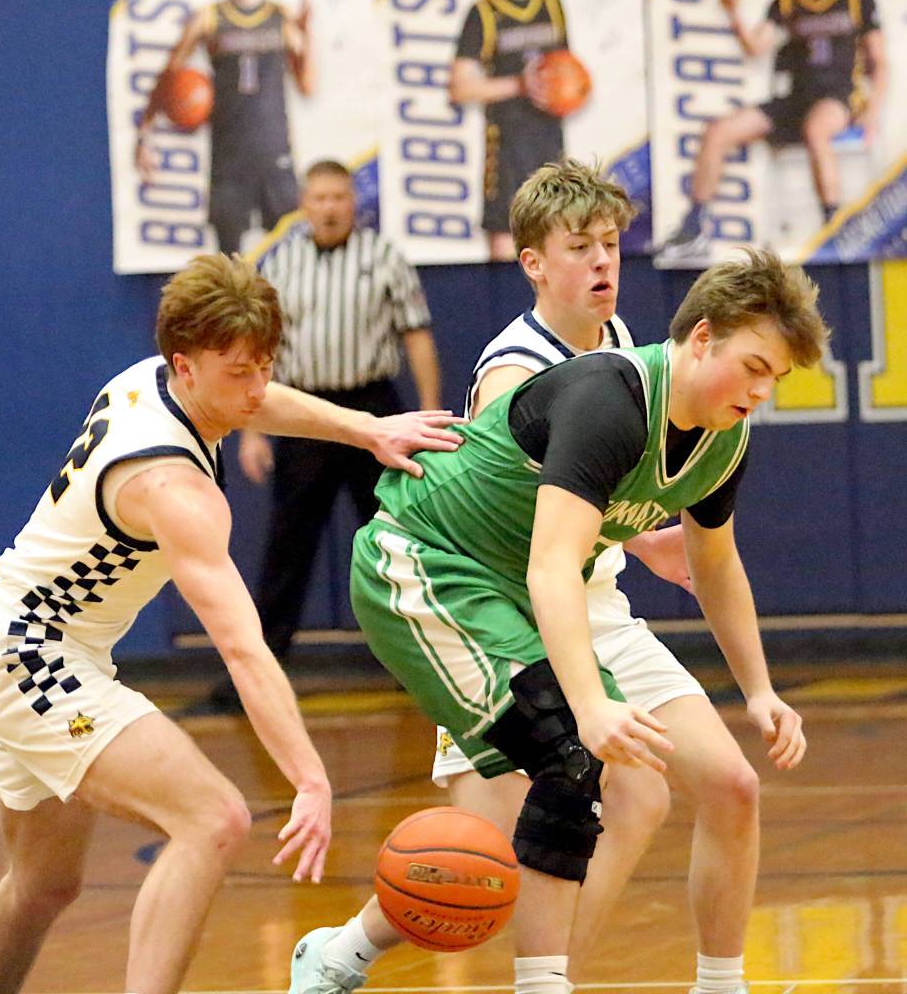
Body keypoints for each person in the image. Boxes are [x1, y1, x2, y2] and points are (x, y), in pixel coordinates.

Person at [287, 245, 827, 994]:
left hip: (552, 595)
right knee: (552, 778)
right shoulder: (608, 396)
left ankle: (703, 983)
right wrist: (591, 700)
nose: (763, 390)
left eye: (778, 379)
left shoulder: (723, 435)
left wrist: (760, 689)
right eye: (755, 367)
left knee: (677, 787)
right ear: (702, 337)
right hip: (434, 568)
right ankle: (407, 960)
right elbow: (549, 566)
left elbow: (716, 565)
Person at [0, 252, 463, 994]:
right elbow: (242, 647)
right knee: (214, 819)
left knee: (42, 886)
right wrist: (308, 776)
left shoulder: (151, 378)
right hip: (32, 660)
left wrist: (366, 429)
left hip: (31, 647)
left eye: (265, 365)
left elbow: (260, 400)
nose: (257, 388)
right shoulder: (174, 486)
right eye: (239, 372)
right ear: (185, 364)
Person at [435, 157, 804, 994]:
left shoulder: (628, 350)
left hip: (590, 600)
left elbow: (624, 505)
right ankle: (355, 947)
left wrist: (640, 545)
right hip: (500, 604)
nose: (603, 261)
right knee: (476, 852)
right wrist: (638, 541)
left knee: (717, 786)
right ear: (534, 262)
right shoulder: (514, 368)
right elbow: (514, 523)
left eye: (611, 243)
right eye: (580, 246)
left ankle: (679, 981)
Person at [233, 159, 441, 668]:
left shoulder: (385, 256)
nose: (329, 207)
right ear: (304, 204)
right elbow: (264, 350)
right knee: (287, 544)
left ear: (354, 203)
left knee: (396, 540)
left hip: (372, 407)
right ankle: (260, 671)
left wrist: (430, 413)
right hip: (304, 412)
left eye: (338, 197)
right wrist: (253, 430)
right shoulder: (280, 263)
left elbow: (417, 335)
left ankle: (419, 664)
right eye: (319, 198)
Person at [660, 0, 887, 262]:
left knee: (816, 129)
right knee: (719, 131)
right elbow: (756, 47)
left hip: (840, 96)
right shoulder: (787, 0)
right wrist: (733, 13)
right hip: (796, 97)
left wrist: (872, 112)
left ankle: (834, 228)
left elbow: (879, 62)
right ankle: (693, 228)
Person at [136, 0, 313, 255]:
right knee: (227, 259)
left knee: (291, 252)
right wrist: (145, 133)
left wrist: (308, 33)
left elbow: (307, 85)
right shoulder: (209, 17)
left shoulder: (282, 16)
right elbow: (169, 74)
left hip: (273, 150)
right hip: (229, 154)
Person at [449, 0, 573, 261]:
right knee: (506, 251)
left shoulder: (552, 5)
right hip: (506, 149)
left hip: (549, 145)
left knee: (556, 246)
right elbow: (459, 87)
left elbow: (568, 71)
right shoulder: (483, 11)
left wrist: (572, 89)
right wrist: (520, 84)